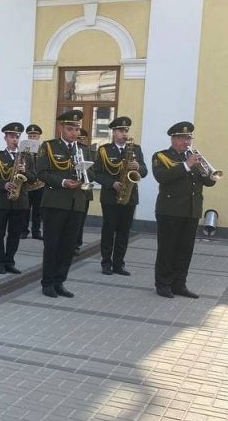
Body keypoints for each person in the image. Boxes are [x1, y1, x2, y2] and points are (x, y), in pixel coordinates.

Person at [152, 121, 216, 298]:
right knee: (167, 249)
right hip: (169, 211)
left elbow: (210, 182)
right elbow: (162, 177)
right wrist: (187, 165)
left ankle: (179, 284)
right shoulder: (161, 156)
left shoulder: (194, 157)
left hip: (192, 210)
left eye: (189, 138)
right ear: (173, 139)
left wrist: (206, 171)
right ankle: (163, 284)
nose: (187, 142)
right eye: (182, 138)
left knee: (185, 251)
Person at [37, 109, 91, 298]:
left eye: (77, 129)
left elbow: (90, 173)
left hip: (77, 202)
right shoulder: (49, 147)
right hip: (55, 202)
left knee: (68, 246)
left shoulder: (84, 149)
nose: (74, 133)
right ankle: (47, 282)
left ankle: (60, 281)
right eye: (70, 129)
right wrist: (62, 182)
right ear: (61, 128)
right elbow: (41, 173)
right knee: (52, 245)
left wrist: (85, 178)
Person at [92, 116, 147, 276]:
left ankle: (119, 264)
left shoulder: (135, 149)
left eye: (126, 130)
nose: (124, 134)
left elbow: (144, 171)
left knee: (124, 232)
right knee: (109, 230)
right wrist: (112, 183)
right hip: (110, 196)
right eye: (121, 131)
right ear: (114, 132)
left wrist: (138, 166)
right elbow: (96, 173)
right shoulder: (104, 150)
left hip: (129, 196)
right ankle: (106, 263)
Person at [0, 122, 35, 274]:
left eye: (17, 137)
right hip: (2, 201)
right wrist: (4, 185)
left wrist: (24, 172)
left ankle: (10, 261)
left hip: (20, 201)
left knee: (15, 234)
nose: (15, 139)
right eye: (12, 136)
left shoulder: (26, 157)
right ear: (5, 138)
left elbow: (33, 178)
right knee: (0, 234)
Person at [73, 127, 96, 255]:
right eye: (78, 137)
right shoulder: (70, 150)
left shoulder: (86, 150)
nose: (79, 139)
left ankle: (77, 244)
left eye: (82, 138)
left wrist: (85, 170)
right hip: (71, 189)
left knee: (80, 220)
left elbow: (93, 174)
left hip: (84, 191)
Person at [21, 123, 45, 239]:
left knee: (38, 210)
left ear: (39, 137)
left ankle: (36, 231)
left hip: (40, 185)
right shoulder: (24, 150)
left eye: (34, 136)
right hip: (27, 184)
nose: (32, 138)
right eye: (30, 136)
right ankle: (23, 230)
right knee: (25, 209)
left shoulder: (43, 150)